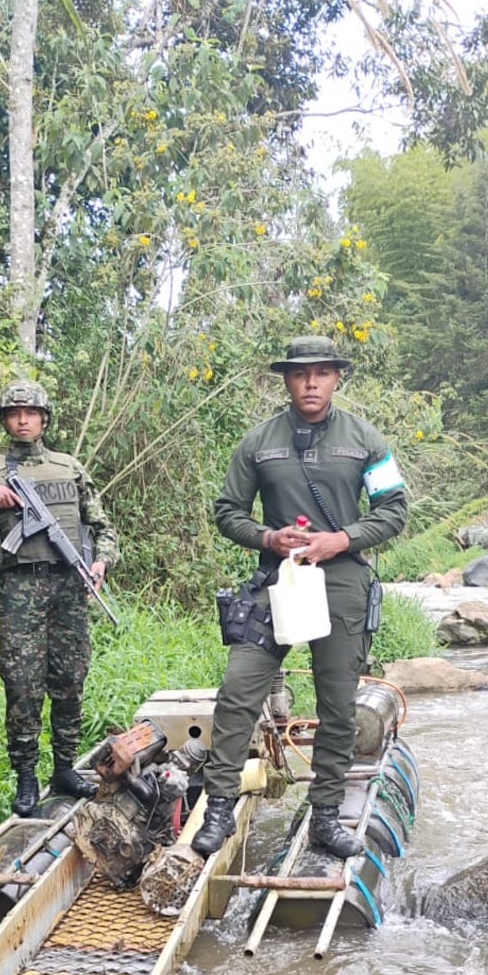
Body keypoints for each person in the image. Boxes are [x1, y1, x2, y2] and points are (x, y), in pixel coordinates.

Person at [192, 335, 408, 859]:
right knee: (239, 691)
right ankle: (219, 807)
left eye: (322, 373)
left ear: (336, 378)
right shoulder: (259, 441)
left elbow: (394, 509)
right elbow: (227, 511)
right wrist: (267, 537)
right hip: (277, 581)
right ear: (287, 380)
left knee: (337, 707)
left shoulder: (366, 440)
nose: (311, 383)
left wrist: (343, 539)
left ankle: (326, 816)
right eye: (300, 374)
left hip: (341, 583)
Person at [0, 381, 118, 816]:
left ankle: (63, 768)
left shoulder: (70, 469)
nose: (23, 420)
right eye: (15, 413)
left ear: (43, 419)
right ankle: (25, 777)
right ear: (5, 419)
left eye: (31, 413)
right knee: (22, 686)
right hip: (20, 591)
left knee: (70, 680)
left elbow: (104, 528)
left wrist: (101, 563)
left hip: (69, 588)